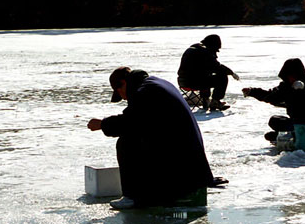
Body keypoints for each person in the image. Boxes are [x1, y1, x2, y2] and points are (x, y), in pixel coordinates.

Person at [88, 67, 221, 209]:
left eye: (120, 93)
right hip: (192, 164)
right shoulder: (156, 84)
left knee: (127, 142)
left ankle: (133, 196)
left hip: (183, 166)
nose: (125, 98)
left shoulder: (144, 92)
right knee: (138, 137)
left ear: (124, 83)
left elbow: (129, 123)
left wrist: (102, 124)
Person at [242, 58, 305, 142]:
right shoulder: (286, 86)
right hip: (297, 122)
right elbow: (271, 96)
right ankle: (289, 135)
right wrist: (252, 92)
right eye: (288, 76)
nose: (290, 79)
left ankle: (292, 135)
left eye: (292, 76)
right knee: (274, 120)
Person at [177, 34, 239, 111]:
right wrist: (231, 73)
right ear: (213, 45)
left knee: (204, 76)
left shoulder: (195, 48)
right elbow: (217, 67)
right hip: (193, 82)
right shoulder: (204, 52)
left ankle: (206, 100)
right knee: (222, 77)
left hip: (182, 82)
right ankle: (215, 101)